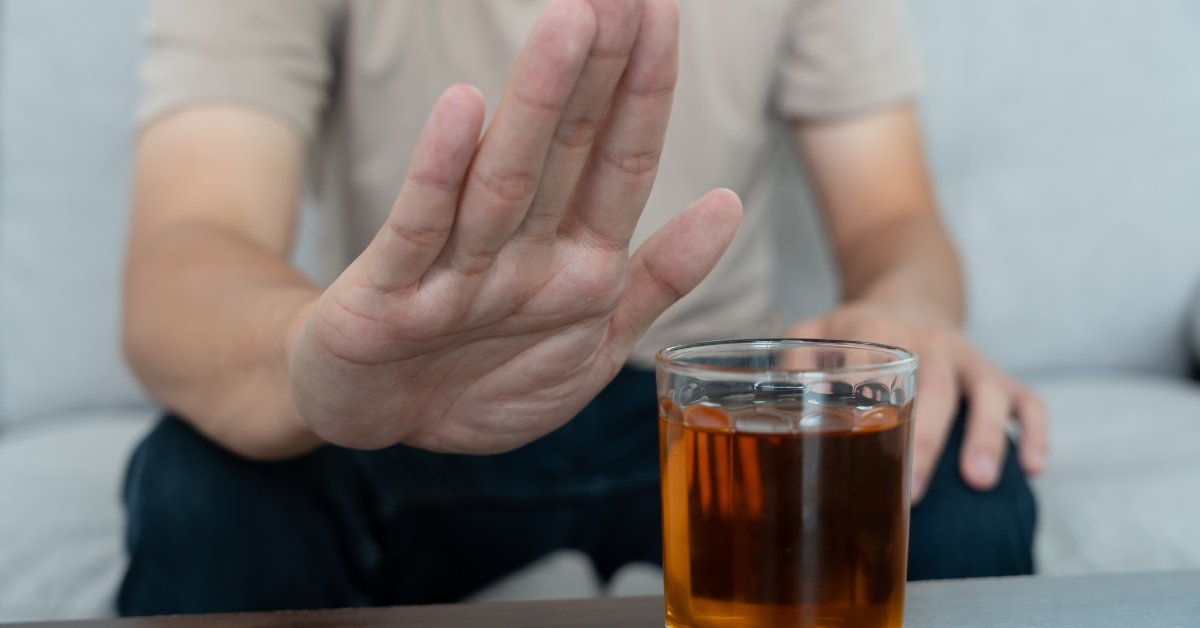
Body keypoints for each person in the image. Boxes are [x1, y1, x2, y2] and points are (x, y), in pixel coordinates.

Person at [118, 0, 1046, 614]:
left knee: (960, 478)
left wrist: (899, 309)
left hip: (705, 420)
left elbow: (893, 214)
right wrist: (311, 365)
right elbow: (187, 246)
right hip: (403, 406)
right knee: (203, 490)